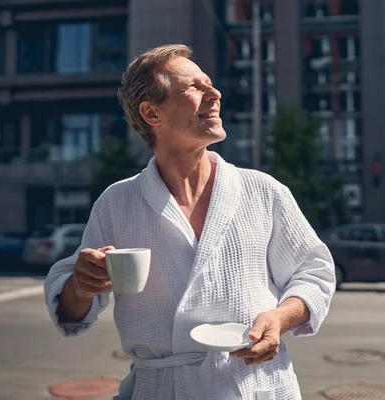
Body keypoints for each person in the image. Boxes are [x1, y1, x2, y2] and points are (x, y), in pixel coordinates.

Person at [43, 44, 336, 400]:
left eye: (210, 83)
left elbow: (314, 272)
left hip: (255, 384)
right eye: (193, 88)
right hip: (159, 387)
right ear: (152, 113)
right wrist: (81, 285)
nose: (215, 94)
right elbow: (71, 309)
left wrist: (279, 319)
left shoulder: (263, 191)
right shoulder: (118, 203)